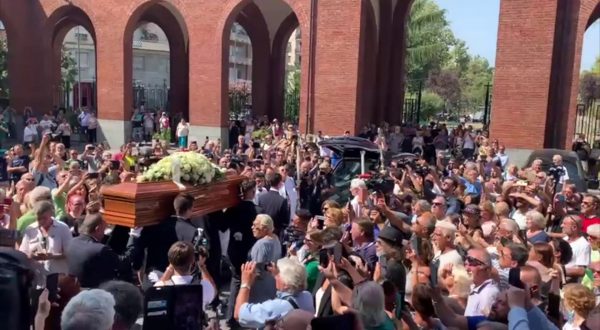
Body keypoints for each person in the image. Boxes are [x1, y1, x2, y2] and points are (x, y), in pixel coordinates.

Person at [126, 193, 199, 288]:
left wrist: (137, 266)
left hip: (153, 276)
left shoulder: (155, 226)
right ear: (190, 209)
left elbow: (140, 247)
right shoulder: (192, 231)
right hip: (178, 280)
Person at [234, 258, 315, 328]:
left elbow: (238, 314)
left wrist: (245, 283)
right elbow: (288, 287)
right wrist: (277, 274)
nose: (276, 275)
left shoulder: (277, 307)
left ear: (286, 283)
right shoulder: (307, 296)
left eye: (279, 273)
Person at [66, 213, 129, 288]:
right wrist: (134, 236)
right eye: (103, 229)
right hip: (95, 292)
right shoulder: (101, 250)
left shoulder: (72, 242)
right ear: (97, 228)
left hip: (74, 290)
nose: (104, 233)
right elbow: (123, 262)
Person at [153, 241, 217, 309]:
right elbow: (214, 291)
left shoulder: (160, 289)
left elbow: (158, 285)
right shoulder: (203, 286)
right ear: (192, 261)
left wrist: (170, 267)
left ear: (170, 261)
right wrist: (202, 266)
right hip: (194, 319)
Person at [19, 200, 72, 274]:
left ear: (50, 214)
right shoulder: (30, 229)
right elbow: (23, 253)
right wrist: (32, 255)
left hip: (57, 276)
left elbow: (70, 253)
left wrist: (53, 256)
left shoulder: (62, 228)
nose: (41, 221)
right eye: (39, 219)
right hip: (37, 278)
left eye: (44, 218)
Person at [248, 214, 282, 303]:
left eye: (255, 225)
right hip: (271, 284)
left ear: (265, 229)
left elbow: (258, 270)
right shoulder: (276, 238)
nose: (252, 227)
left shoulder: (261, 244)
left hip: (259, 288)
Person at [464, 248, 500, 317]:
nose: (466, 268)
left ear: (486, 269)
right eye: (465, 264)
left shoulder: (488, 293)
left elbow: (483, 324)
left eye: (472, 262)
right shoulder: (474, 287)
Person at [562, 215, 592, 283]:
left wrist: (560, 270)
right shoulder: (564, 239)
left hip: (571, 284)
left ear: (574, 227)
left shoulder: (583, 245)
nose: (562, 226)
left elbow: (581, 271)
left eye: (564, 224)